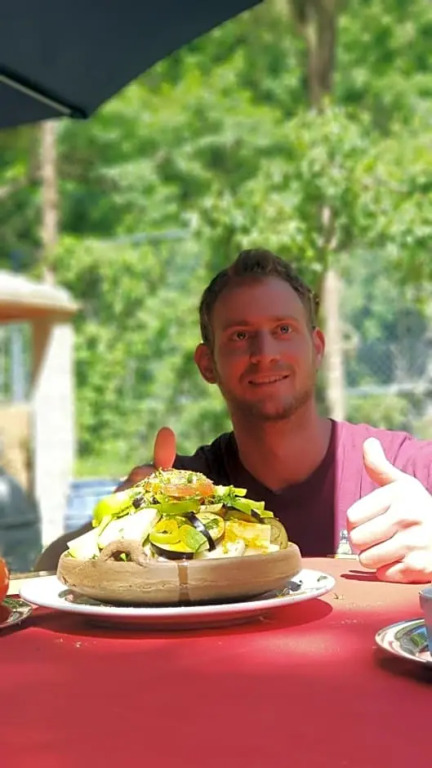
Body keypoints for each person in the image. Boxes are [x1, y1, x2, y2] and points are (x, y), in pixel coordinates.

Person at [36, 248, 432, 583]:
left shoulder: (405, 470)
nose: (265, 354)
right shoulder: (179, 492)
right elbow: (46, 570)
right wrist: (115, 525)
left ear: (317, 348)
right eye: (240, 336)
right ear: (207, 364)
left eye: (283, 329)